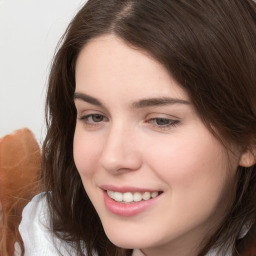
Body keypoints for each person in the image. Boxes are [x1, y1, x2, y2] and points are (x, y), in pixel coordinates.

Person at [19, 0, 256, 255]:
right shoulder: (35, 238)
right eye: (95, 117)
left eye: (161, 120)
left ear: (247, 139)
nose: (112, 158)